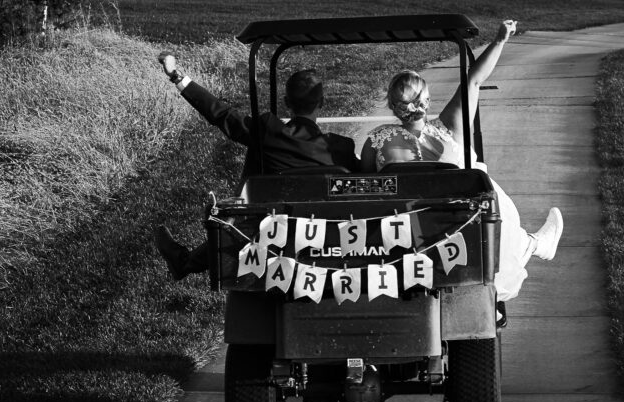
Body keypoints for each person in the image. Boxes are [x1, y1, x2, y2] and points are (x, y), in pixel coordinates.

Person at [361, 20, 563, 309]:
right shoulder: (448, 130)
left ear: (393, 106)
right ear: (426, 101)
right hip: (454, 226)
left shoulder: (377, 140)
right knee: (481, 183)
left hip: (401, 227)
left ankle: (533, 244)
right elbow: (474, 80)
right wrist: (499, 41)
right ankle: (531, 244)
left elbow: (367, 184)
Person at [154, 52, 362, 280]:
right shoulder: (341, 148)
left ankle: (187, 263)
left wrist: (176, 76)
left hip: (268, 227)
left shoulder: (268, 132)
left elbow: (221, 114)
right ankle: (187, 262)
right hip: (329, 230)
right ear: (322, 102)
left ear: (286, 103)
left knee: (249, 212)